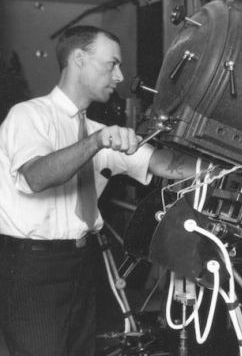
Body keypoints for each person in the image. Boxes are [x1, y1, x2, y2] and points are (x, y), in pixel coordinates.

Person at [0, 25, 199, 356]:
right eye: (112, 64)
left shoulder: (98, 131)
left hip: (81, 261)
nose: (120, 76)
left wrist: (234, 164)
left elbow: (163, 163)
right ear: (79, 59)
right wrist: (95, 142)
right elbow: (35, 177)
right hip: (32, 267)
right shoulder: (29, 116)